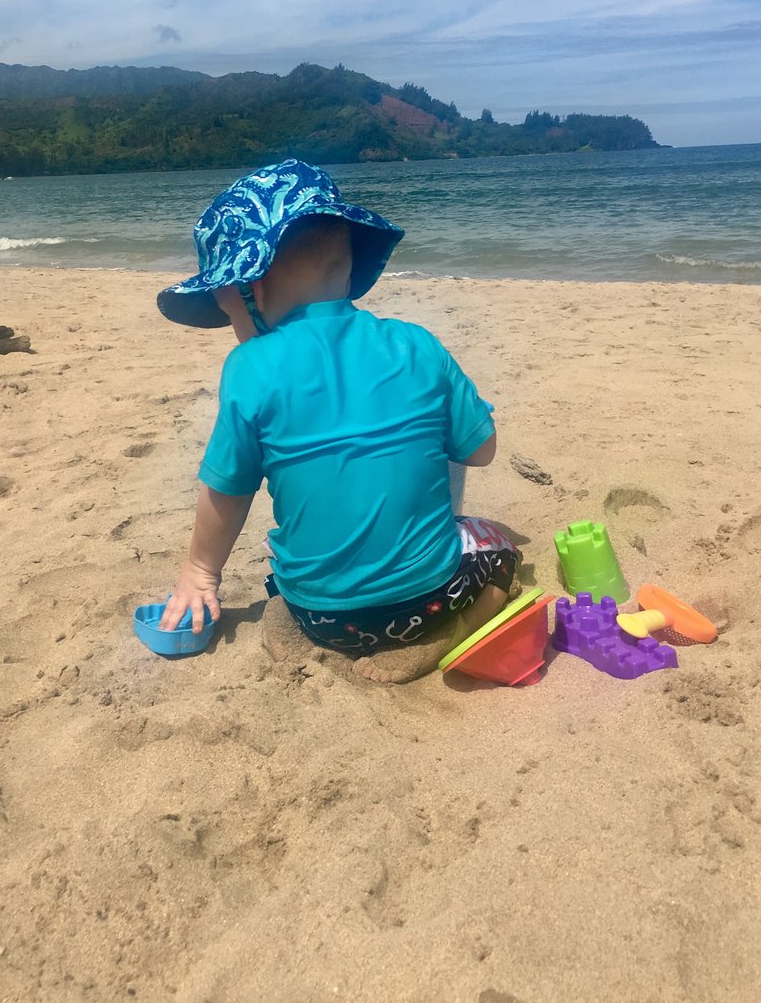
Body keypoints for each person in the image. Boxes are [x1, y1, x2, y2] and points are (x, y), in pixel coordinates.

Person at [155, 159, 519, 683]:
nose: (232, 327)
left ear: (251, 290)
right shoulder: (416, 343)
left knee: (288, 568)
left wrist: (200, 574)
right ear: (350, 271)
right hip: (430, 600)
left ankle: (297, 623)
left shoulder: (250, 367)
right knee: (496, 543)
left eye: (226, 311)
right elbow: (480, 452)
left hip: (321, 618)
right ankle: (455, 629)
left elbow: (227, 493)